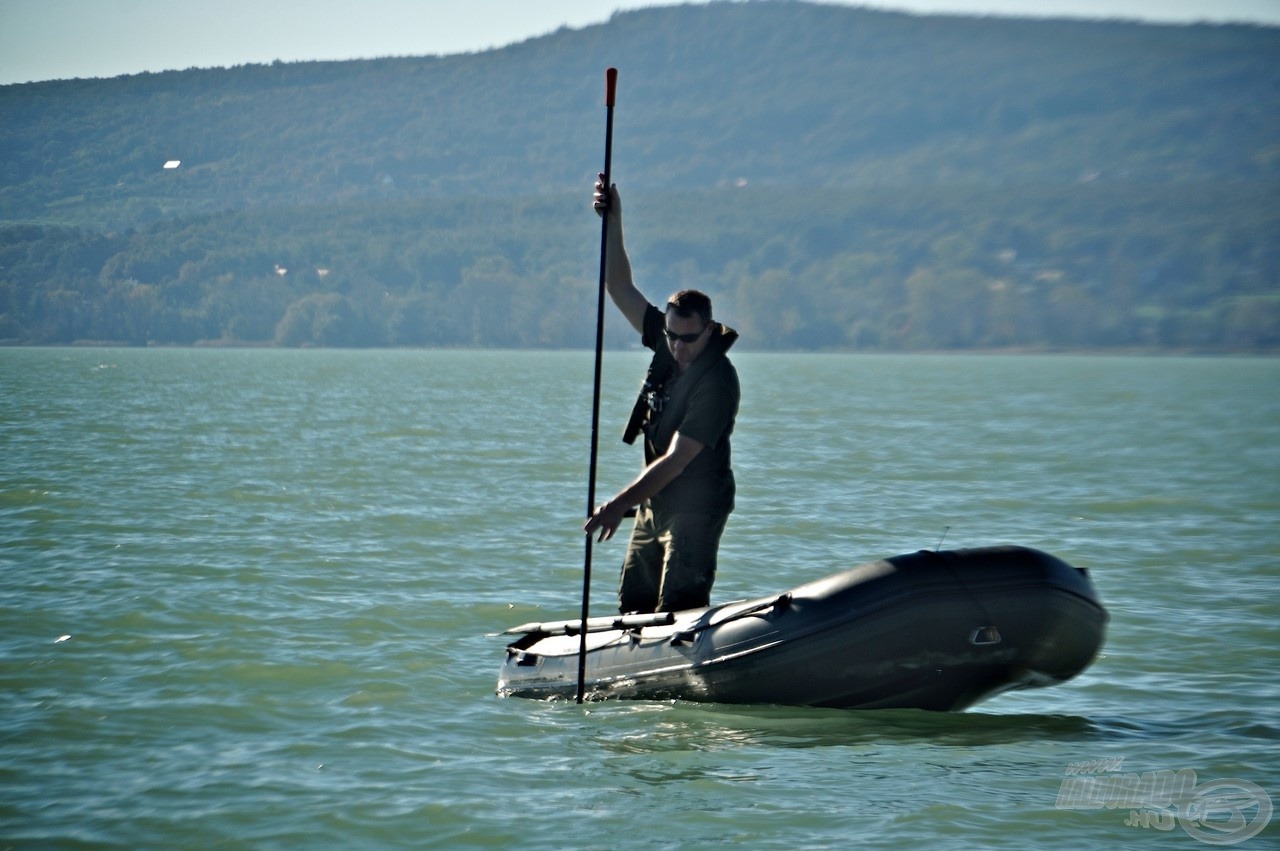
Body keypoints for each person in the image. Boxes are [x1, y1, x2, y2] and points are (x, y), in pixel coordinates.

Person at [584, 174, 741, 615]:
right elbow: (619, 287)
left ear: (708, 330)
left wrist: (616, 504)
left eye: (688, 339)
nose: (677, 347)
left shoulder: (718, 382)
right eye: (671, 336)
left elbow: (676, 459)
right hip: (654, 503)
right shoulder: (667, 340)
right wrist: (613, 219)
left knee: (679, 603)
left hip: (696, 505)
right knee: (633, 603)